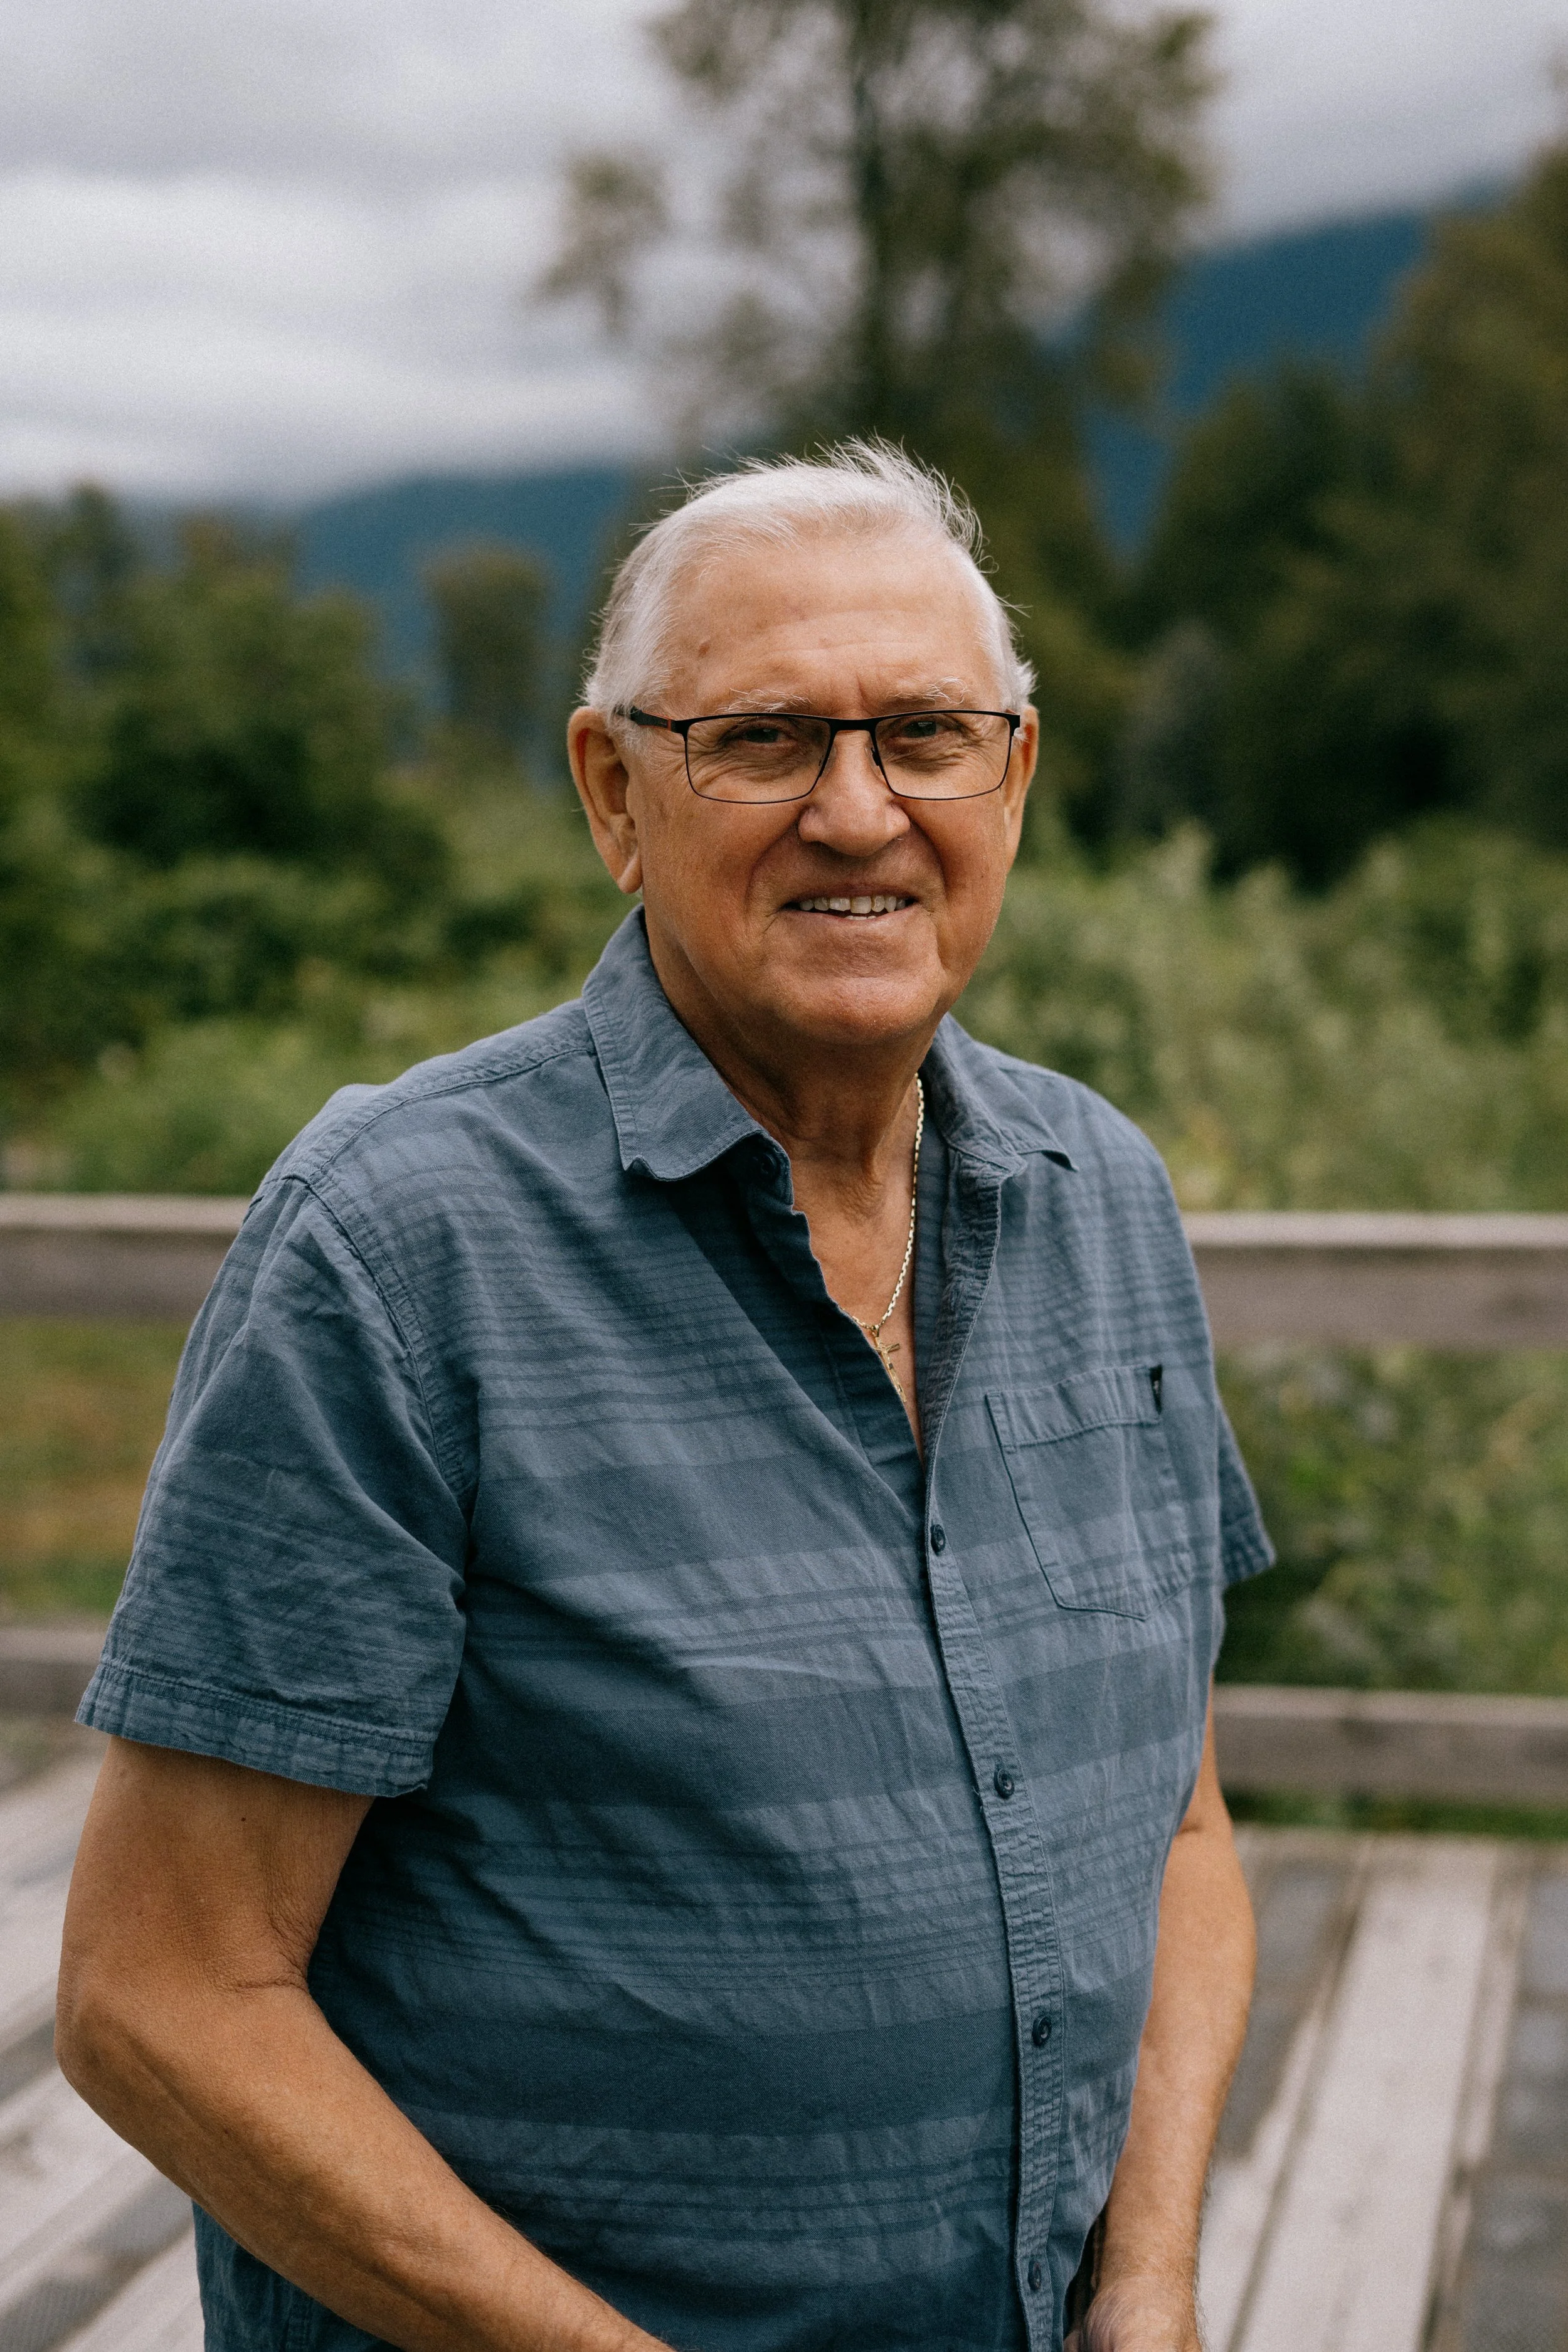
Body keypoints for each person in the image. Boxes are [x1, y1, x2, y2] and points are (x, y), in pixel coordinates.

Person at [58, 443, 1271, 2352]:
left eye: (926, 735)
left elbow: (1173, 1824)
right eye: (765, 739)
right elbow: (161, 1997)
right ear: (613, 793)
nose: (858, 810)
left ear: (1013, 780)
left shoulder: (1102, 1196)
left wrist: (1148, 2279)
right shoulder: (399, 1242)